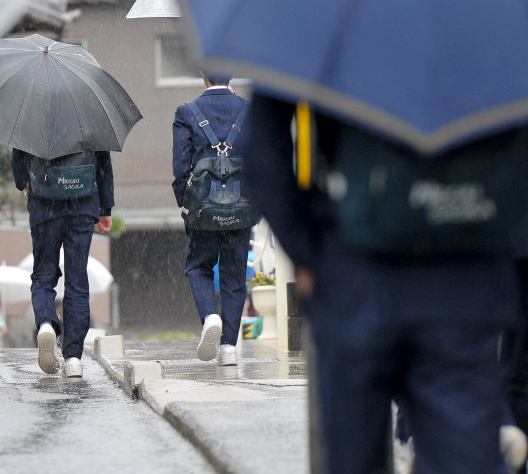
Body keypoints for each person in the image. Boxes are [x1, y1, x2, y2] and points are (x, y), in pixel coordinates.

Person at [239, 93, 521, 474]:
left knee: (354, 455)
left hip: (354, 264)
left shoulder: (330, 51)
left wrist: (307, 248)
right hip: (463, 267)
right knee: (464, 456)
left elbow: (262, 147)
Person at [172, 72, 253, 366]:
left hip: (203, 208)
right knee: (234, 275)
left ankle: (210, 316)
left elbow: (180, 169)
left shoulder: (186, 112)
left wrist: (186, 206)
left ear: (203, 75)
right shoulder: (248, 109)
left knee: (198, 266)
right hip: (241, 207)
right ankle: (229, 347)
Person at [11, 148, 113, 378]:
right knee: (77, 280)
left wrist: (24, 182)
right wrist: (105, 207)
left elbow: (18, 157)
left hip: (44, 205)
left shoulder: (33, 123)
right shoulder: (91, 124)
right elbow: (103, 161)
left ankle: (46, 324)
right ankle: (73, 358)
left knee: (43, 276)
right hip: (83, 204)